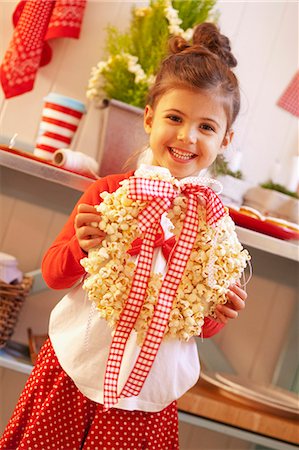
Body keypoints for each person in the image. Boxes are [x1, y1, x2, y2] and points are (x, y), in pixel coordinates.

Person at [0, 22, 248, 450]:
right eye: (175, 117)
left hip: (145, 398)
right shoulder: (110, 193)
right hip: (74, 373)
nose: (188, 136)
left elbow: (189, 322)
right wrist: (81, 245)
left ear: (225, 139)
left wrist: (216, 313)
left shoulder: (216, 228)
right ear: (149, 118)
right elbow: (55, 275)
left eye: (206, 127)